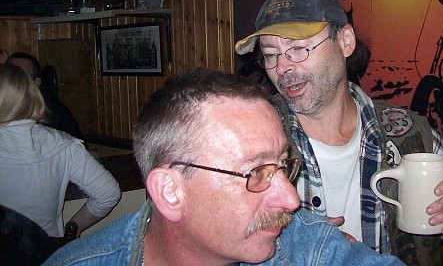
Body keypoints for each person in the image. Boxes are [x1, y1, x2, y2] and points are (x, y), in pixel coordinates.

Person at [235, 0, 443, 265]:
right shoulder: (248, 137)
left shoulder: (408, 134)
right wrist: (294, 240)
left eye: (298, 48)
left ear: (345, 41)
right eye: (270, 55)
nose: (282, 68)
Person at [45, 68, 405, 266]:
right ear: (170, 192)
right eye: (256, 173)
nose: (291, 201)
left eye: (282, 165)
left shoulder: (303, 245)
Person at [0, 62, 121, 239]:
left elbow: (108, 193)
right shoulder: (62, 143)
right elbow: (108, 193)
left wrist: (72, 230)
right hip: (48, 250)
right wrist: (73, 228)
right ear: (32, 95)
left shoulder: (63, 141)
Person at [7, 52, 85, 140]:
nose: (14, 79)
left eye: (22, 75)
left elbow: (75, 142)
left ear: (36, 82)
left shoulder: (52, 111)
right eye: (8, 73)